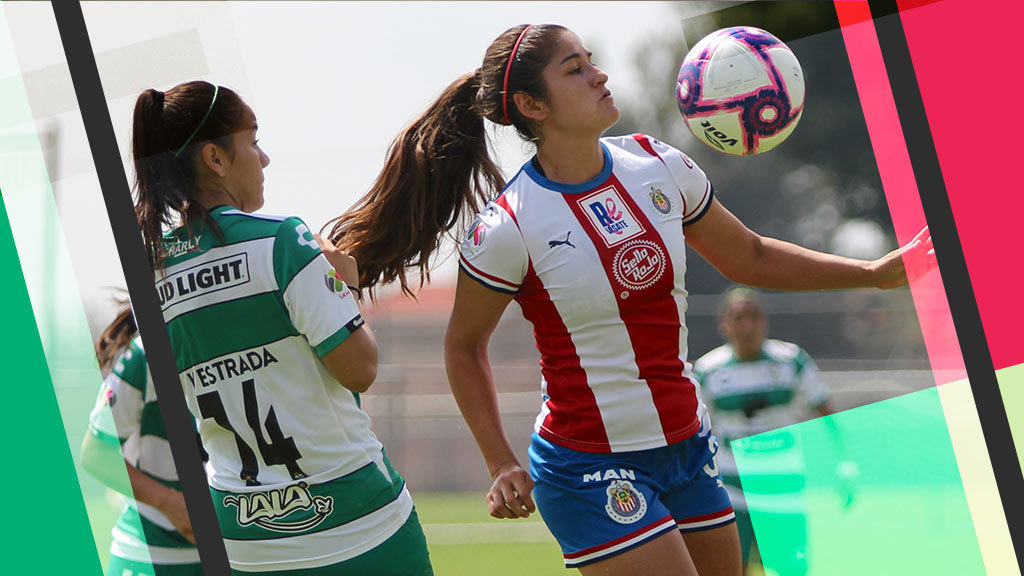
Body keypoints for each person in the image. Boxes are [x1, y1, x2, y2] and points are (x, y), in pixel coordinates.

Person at [326, 24, 932, 576]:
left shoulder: (656, 164)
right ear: (533, 107)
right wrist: (499, 461)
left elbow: (750, 257)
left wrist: (875, 272)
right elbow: (463, 347)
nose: (600, 75)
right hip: (588, 468)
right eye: (575, 69)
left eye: (591, 61)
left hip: (689, 451)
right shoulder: (509, 225)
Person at [131, 80, 433, 575]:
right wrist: (346, 288)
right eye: (253, 140)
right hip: (356, 523)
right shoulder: (282, 240)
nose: (264, 157)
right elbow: (360, 369)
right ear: (215, 158)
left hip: (244, 541)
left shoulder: (151, 273)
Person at [693, 287, 857, 576]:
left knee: (790, 568)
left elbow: (825, 412)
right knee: (731, 569)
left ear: (764, 321)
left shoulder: (791, 361)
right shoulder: (709, 370)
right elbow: (697, 433)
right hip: (732, 489)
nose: (747, 325)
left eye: (754, 316)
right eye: (739, 317)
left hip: (783, 486)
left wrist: (845, 461)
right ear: (724, 324)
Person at [82, 304, 202, 576]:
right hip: (149, 555)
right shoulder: (142, 356)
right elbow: (96, 454)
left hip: (239, 549)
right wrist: (170, 503)